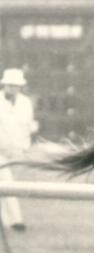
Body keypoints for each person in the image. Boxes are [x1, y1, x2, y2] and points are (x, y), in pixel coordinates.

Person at [0, 68, 37, 231]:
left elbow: (27, 127)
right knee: (6, 182)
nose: (12, 89)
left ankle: (7, 220)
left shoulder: (25, 103)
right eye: (10, 85)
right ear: (4, 85)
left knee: (7, 185)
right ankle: (16, 221)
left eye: (16, 86)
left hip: (16, 152)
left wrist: (24, 148)